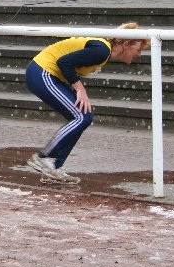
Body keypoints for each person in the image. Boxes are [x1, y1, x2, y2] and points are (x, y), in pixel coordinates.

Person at [25, 23, 150, 184]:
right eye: (138, 49)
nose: (139, 54)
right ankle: (43, 158)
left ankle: (53, 167)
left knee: (84, 117)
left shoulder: (103, 51)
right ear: (125, 44)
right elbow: (64, 62)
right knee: (81, 117)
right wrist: (80, 89)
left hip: (46, 74)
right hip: (41, 72)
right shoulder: (102, 50)